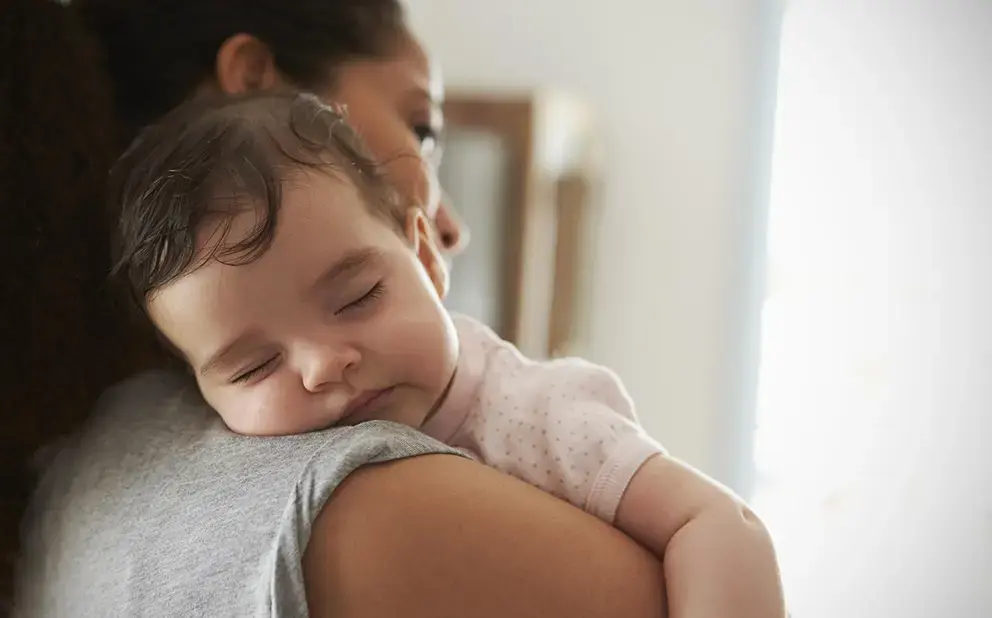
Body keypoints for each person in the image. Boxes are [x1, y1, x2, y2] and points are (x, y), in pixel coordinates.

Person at [6, 0, 670, 615]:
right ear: (261, 85)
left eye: (355, 296)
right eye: (421, 128)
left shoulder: (68, 473)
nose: (452, 228)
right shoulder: (368, 514)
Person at [109, 91, 787, 618]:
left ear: (427, 254)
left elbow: (720, 524)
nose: (323, 366)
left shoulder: (536, 415)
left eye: (357, 298)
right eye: (255, 367)